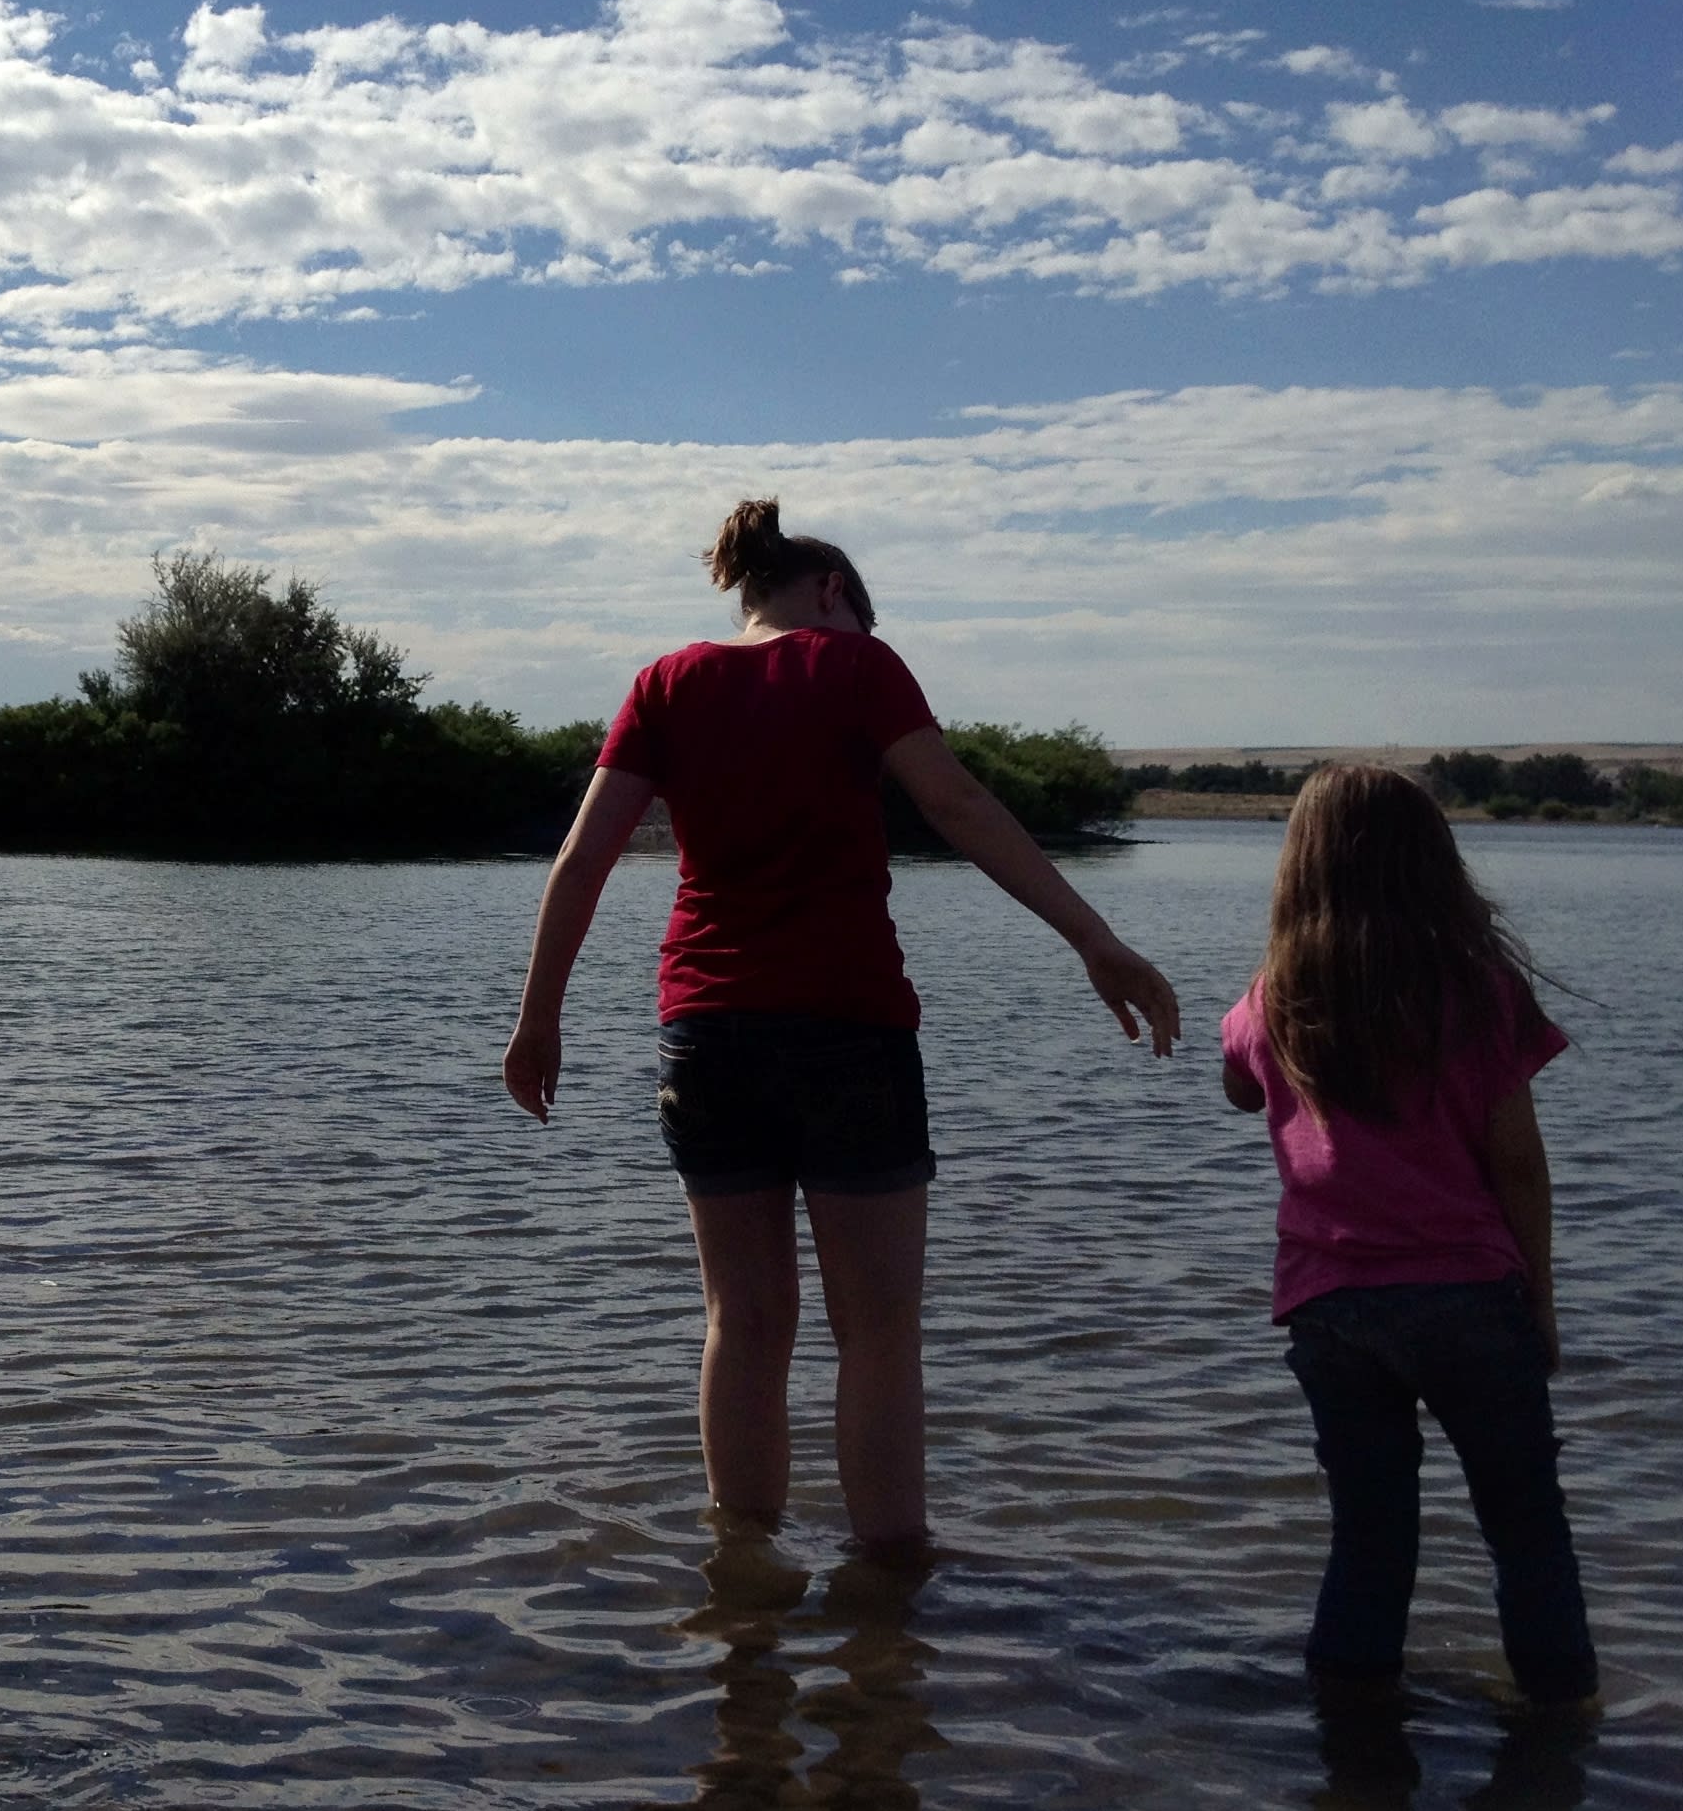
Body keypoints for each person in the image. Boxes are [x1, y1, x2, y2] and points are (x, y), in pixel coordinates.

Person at [502, 498, 1181, 1549]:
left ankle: (744, 1581)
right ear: (830, 594)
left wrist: (539, 1017)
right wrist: (1094, 939)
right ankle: (892, 1593)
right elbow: (958, 807)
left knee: (743, 1319)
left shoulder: (665, 683)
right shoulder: (858, 667)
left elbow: (584, 857)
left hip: (707, 1033)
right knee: (877, 1330)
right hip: (847, 1026)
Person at [1216, 764, 1595, 1705]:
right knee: (1525, 1527)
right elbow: (1518, 1162)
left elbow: (1237, 1085)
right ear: (1433, 862)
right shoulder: (1478, 991)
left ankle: (1351, 1746)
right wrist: (1539, 1300)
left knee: (1370, 1534)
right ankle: (1563, 1741)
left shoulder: (1275, 998)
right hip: (1469, 1295)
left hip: (1331, 1305)